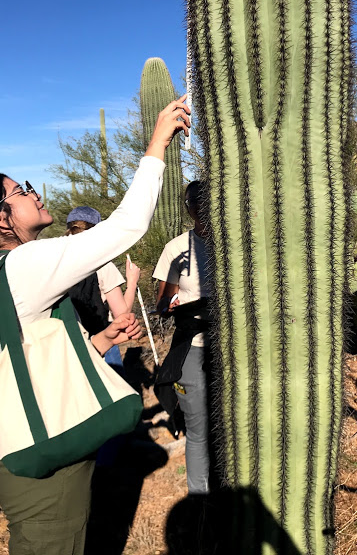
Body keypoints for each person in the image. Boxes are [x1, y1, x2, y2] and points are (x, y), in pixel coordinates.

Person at [0, 96, 190, 555]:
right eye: (22, 191)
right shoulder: (26, 262)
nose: (35, 193)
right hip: (44, 468)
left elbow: (31, 357)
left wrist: (101, 339)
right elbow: (126, 227)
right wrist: (158, 142)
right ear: (1, 219)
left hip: (33, 450)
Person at [153, 180, 212, 495]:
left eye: (206, 202)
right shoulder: (176, 249)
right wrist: (170, 306)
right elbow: (163, 303)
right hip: (193, 344)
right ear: (188, 208)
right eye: (194, 203)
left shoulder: (238, 245)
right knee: (199, 427)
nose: (201, 208)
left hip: (233, 348)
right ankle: (200, 502)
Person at [65, 205, 141, 374]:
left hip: (65, 345)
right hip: (101, 341)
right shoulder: (103, 265)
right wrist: (132, 282)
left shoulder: (55, 259)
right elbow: (122, 314)